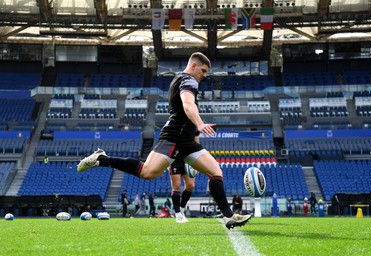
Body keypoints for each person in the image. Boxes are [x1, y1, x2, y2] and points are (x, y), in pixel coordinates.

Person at [77, 52, 251, 229]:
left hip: (188, 142)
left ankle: (229, 216)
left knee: (215, 171)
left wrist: (196, 129)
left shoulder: (179, 79)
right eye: (203, 70)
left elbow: (185, 109)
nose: (204, 75)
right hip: (174, 138)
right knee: (148, 172)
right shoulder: (189, 80)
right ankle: (101, 159)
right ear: (193, 66)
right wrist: (200, 123)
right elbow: (187, 104)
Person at [170, 133, 200, 223]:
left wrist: (196, 158)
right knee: (177, 186)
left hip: (188, 158)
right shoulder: (176, 124)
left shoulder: (193, 125)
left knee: (190, 185)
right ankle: (178, 214)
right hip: (175, 158)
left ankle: (182, 209)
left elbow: (196, 141)